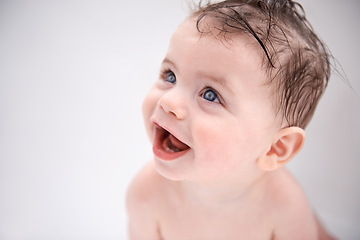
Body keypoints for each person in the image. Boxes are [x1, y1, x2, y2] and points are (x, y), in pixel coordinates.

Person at [127, 0, 336, 239]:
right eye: (170, 75)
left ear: (275, 148)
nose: (169, 102)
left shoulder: (284, 206)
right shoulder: (146, 194)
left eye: (210, 95)